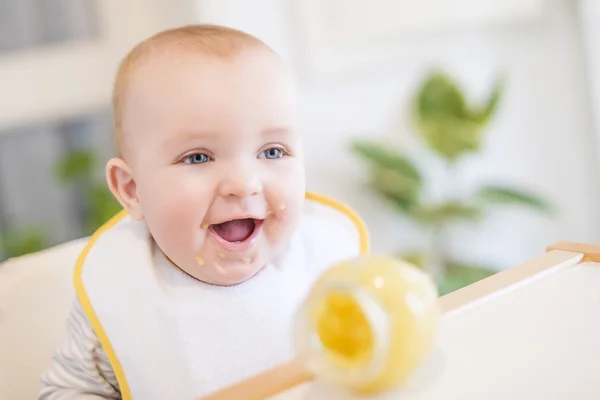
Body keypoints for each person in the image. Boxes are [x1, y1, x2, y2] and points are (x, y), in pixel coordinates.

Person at [38, 24, 369, 400]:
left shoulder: (326, 260)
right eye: (198, 157)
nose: (244, 183)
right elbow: (66, 391)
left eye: (272, 151)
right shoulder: (122, 284)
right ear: (132, 190)